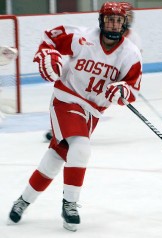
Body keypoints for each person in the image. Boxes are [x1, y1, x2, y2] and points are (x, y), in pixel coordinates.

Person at [8, 1, 142, 232]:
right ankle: (69, 204)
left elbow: (133, 88)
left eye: (118, 20)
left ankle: (23, 201)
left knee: (55, 158)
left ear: (123, 23)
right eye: (109, 18)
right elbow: (50, 37)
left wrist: (123, 91)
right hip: (67, 99)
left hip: (93, 112)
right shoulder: (82, 37)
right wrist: (46, 53)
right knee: (81, 148)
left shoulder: (130, 52)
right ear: (101, 20)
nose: (113, 23)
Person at [43, 2, 142, 142]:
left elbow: (129, 67)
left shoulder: (133, 40)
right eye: (111, 19)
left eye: (126, 17)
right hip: (79, 83)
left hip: (100, 88)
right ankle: (62, 132)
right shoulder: (91, 37)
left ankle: (72, 136)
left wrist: (124, 87)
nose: (115, 23)